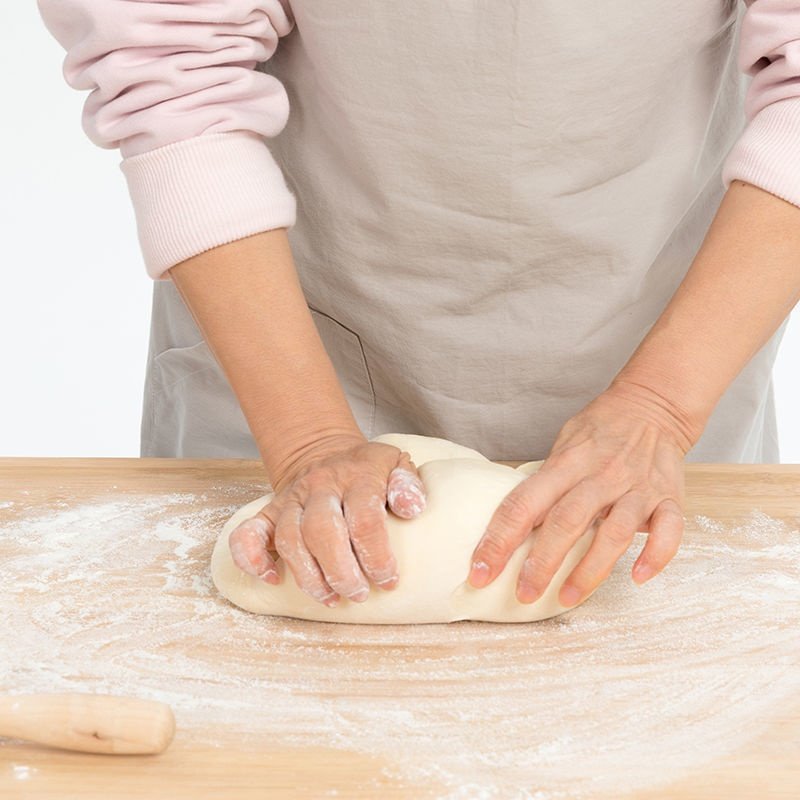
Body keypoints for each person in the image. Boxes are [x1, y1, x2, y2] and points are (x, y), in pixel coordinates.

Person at [38, 1, 800, 611]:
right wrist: (308, 442)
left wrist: (661, 406)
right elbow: (173, 73)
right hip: (296, 330)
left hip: (679, 331)